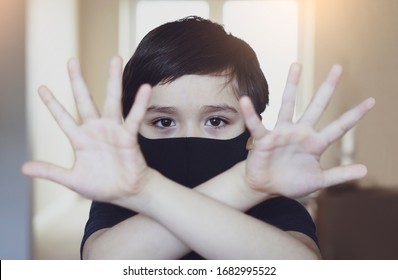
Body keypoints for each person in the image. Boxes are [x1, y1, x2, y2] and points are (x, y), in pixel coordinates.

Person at [22, 16, 375, 259]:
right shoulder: (121, 194)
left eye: (217, 121)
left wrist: (252, 187)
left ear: (252, 133)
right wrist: (242, 185)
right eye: (163, 122)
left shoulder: (273, 199)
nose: (190, 137)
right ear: (134, 130)